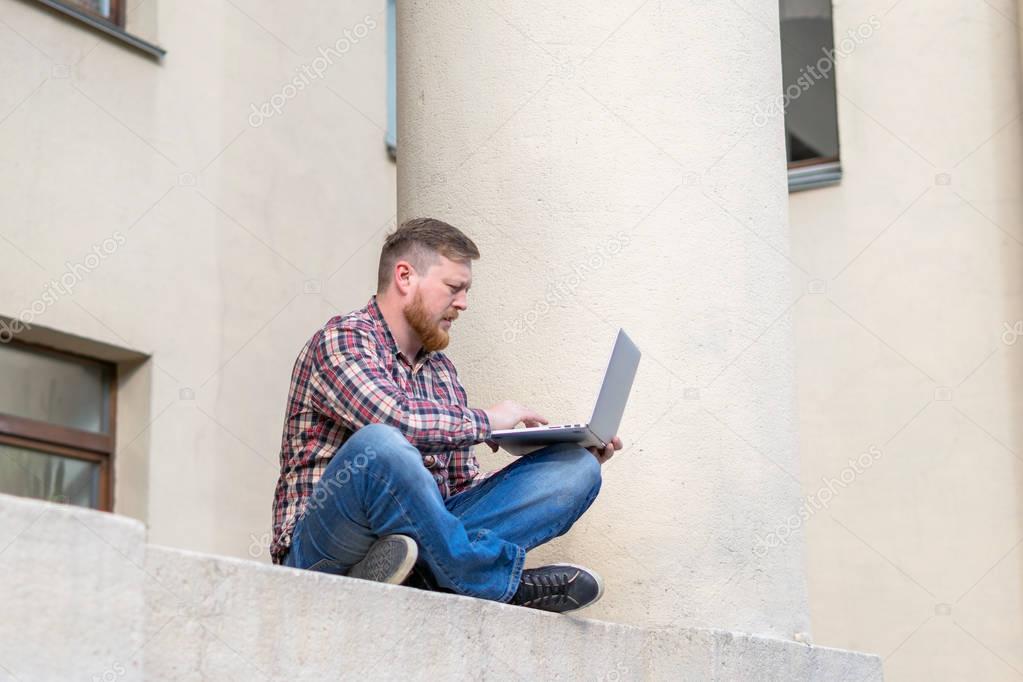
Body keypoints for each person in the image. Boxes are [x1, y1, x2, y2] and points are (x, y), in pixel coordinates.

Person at [271, 217, 623, 613]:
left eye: (466, 291)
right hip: (323, 555)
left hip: (419, 547)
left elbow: (460, 488)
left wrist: (554, 454)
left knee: (575, 471)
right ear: (405, 276)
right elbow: (394, 420)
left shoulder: (442, 374)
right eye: (454, 288)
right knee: (382, 444)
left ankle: (424, 576)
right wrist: (487, 422)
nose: (463, 303)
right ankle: (496, 584)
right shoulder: (343, 339)